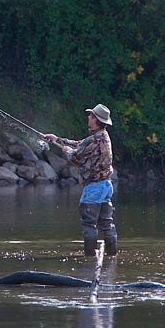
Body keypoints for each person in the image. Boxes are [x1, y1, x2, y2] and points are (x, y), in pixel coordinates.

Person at [43, 103, 118, 257]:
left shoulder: (96, 140)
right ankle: (112, 256)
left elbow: (76, 157)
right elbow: (80, 144)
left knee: (89, 225)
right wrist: (56, 139)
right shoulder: (101, 136)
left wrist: (67, 151)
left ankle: (90, 259)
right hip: (105, 186)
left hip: (94, 188)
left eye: (90, 116)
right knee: (106, 224)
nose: (88, 117)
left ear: (96, 120)